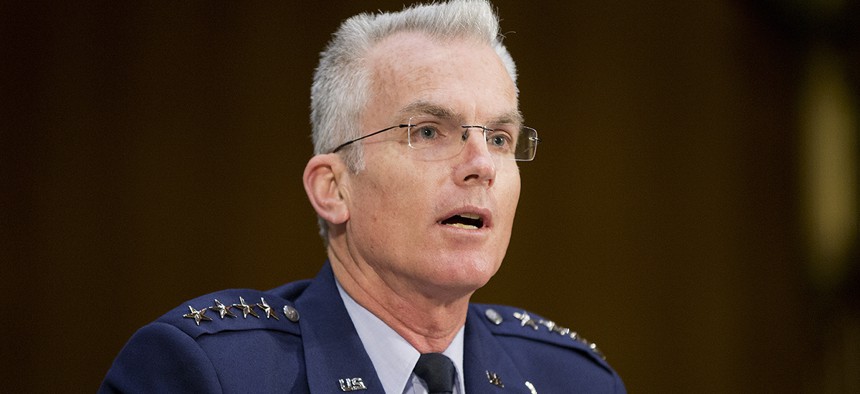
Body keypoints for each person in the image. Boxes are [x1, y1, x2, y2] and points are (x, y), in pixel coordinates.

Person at [99, 1, 626, 392]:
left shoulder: (575, 381)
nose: (481, 166)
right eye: (427, 132)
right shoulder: (210, 374)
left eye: (498, 138)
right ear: (333, 188)